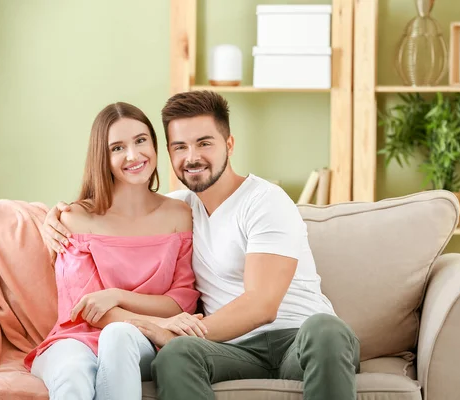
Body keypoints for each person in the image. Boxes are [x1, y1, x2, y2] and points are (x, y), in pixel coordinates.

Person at [42, 91, 361, 400]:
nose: (192, 157)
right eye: (180, 147)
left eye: (204, 143)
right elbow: (121, 214)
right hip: (233, 351)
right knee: (176, 355)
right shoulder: (180, 210)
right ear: (168, 153)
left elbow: (261, 305)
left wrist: (168, 331)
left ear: (230, 144)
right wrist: (52, 217)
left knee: (325, 329)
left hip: (302, 340)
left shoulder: (265, 201)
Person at [26, 102, 206, 400]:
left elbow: (181, 301)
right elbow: (88, 310)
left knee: (119, 334)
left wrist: (119, 296)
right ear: (103, 157)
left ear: (154, 143)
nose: (134, 155)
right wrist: (155, 319)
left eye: (140, 141)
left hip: (144, 342)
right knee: (72, 376)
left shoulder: (179, 214)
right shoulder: (74, 218)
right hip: (77, 339)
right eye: (117, 148)